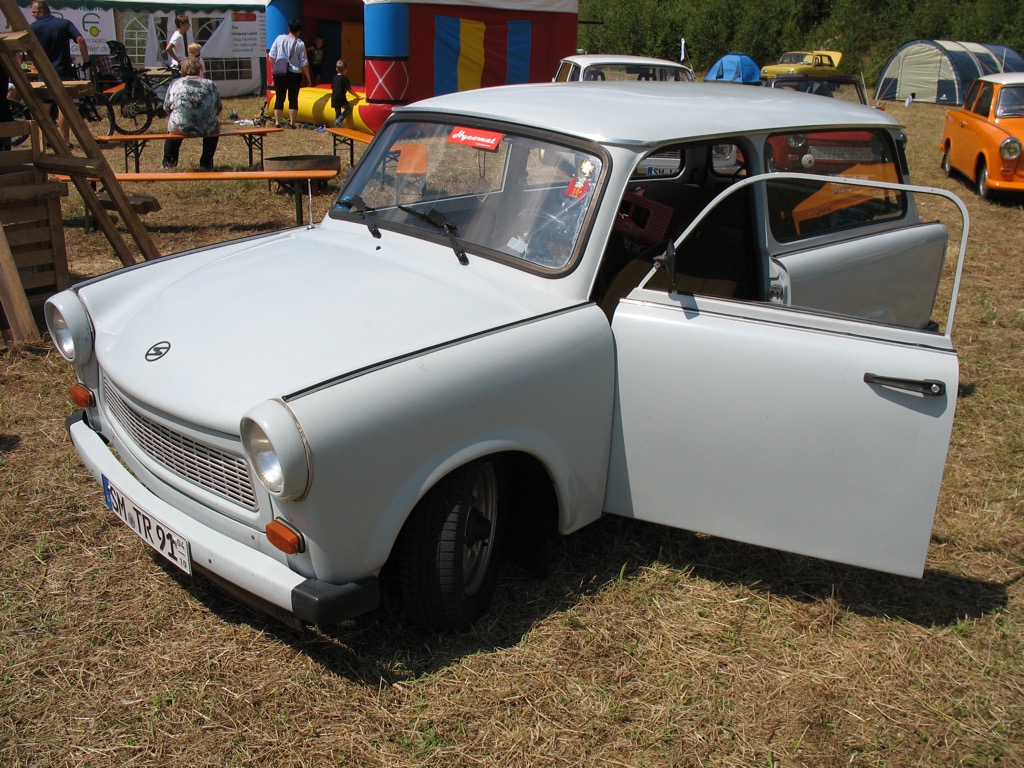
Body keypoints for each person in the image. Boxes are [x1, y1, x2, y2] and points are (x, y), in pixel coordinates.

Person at [30, 0, 90, 150]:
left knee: (45, 107)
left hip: (43, 72)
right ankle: (65, 141)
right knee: (63, 106)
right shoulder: (64, 23)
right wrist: (87, 61)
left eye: (34, 12)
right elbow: (81, 40)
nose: (33, 14)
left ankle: (43, 141)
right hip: (62, 72)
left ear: (41, 12)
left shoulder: (33, 28)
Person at [161, 56, 221, 170]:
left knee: (174, 129)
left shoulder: (175, 83)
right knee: (214, 129)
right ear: (199, 68)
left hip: (180, 125)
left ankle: (169, 163)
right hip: (206, 126)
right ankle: (206, 163)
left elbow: (166, 107)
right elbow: (218, 108)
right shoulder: (210, 84)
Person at [268, 19, 310, 128]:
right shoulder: (300, 44)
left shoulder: (279, 38)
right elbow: (304, 62)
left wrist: (274, 70)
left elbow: (271, 56)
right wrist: (308, 77)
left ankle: (278, 122)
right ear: (298, 31)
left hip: (280, 73)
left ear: (289, 28)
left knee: (279, 97)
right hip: (295, 73)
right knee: (293, 98)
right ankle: (292, 123)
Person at [331, 59, 359, 127]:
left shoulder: (334, 78)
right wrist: (357, 96)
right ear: (346, 69)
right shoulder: (344, 78)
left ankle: (336, 129)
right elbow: (349, 89)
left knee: (337, 113)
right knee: (349, 108)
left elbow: (332, 87)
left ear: (336, 69)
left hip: (334, 98)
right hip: (341, 99)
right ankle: (339, 120)